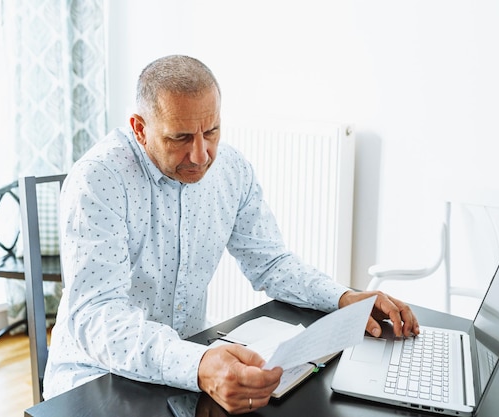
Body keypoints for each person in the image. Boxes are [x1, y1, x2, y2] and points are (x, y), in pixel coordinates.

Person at [45, 54, 420, 414]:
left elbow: (272, 263)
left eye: (211, 131)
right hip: (94, 381)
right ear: (140, 129)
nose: (201, 155)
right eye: (180, 137)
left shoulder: (232, 171)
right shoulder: (98, 179)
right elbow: (97, 315)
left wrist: (344, 297)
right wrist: (199, 363)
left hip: (186, 373)